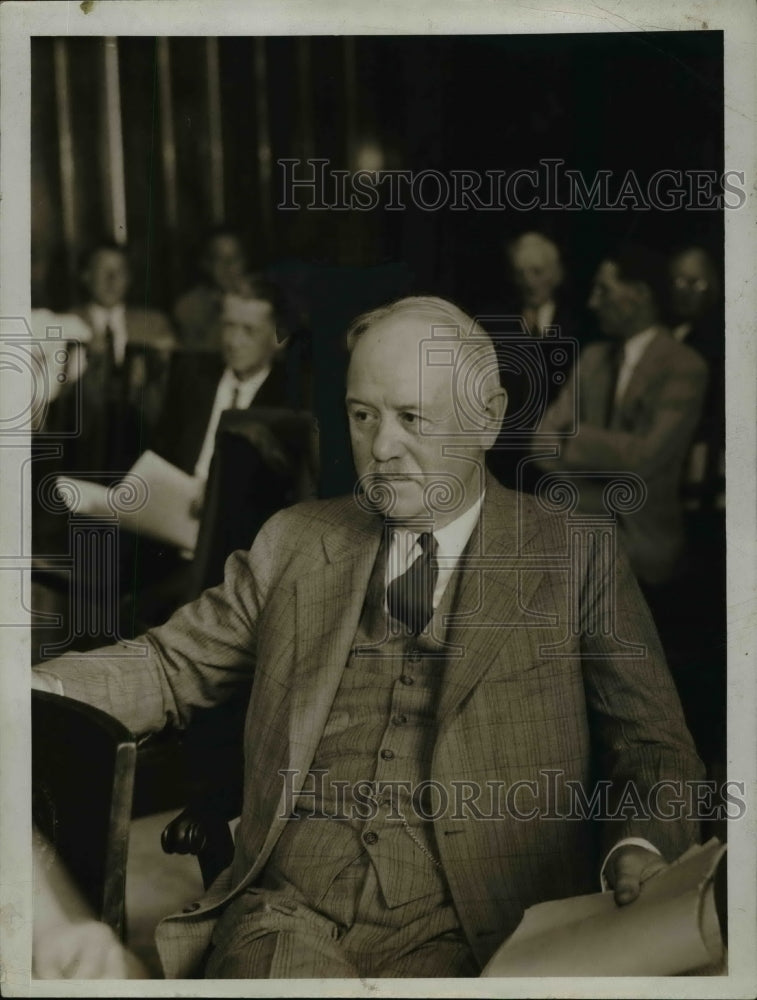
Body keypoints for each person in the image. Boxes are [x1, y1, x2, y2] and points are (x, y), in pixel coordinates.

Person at [32, 296, 704, 979]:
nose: (381, 447)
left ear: (487, 418)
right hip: (286, 918)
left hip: (484, 933)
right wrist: (36, 687)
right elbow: (170, 665)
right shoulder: (295, 541)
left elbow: (654, 748)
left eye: (411, 417)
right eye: (362, 416)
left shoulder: (573, 553)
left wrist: (641, 844)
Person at [532, 245, 708, 589]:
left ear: (639, 295)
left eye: (604, 290)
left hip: (641, 539)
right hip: (577, 524)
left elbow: (646, 460)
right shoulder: (593, 358)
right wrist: (614, 453)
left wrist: (573, 437)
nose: (592, 302)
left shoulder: (685, 366)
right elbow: (540, 444)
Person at [69, 240, 176, 475]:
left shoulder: (154, 325)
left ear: (129, 278)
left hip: (143, 449)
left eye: (120, 272)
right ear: (86, 276)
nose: (111, 279)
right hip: (82, 454)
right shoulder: (66, 324)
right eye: (102, 270)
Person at [172, 228, 250, 353]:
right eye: (219, 258)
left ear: (245, 261)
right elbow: (198, 353)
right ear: (207, 264)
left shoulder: (263, 300)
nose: (228, 265)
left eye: (235, 258)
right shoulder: (189, 305)